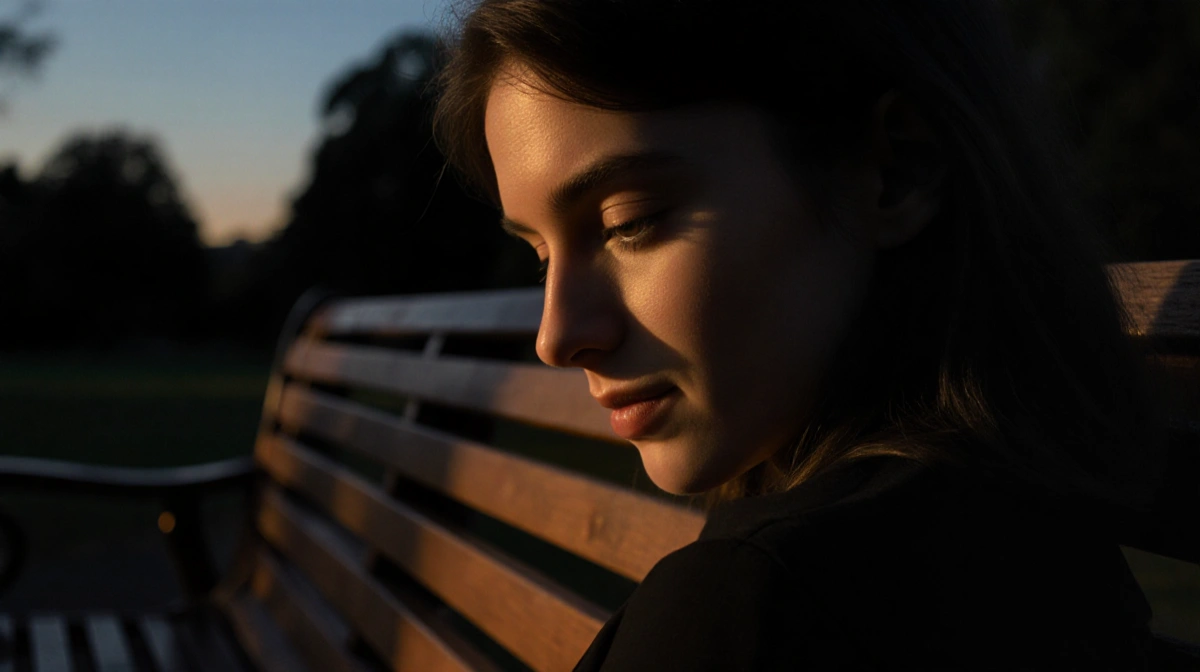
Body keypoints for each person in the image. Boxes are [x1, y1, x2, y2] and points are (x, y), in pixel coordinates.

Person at [432, 0, 1190, 669]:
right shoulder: (1024, 533)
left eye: (630, 222)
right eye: (539, 254)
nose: (557, 336)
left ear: (896, 169)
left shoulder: (757, 607)